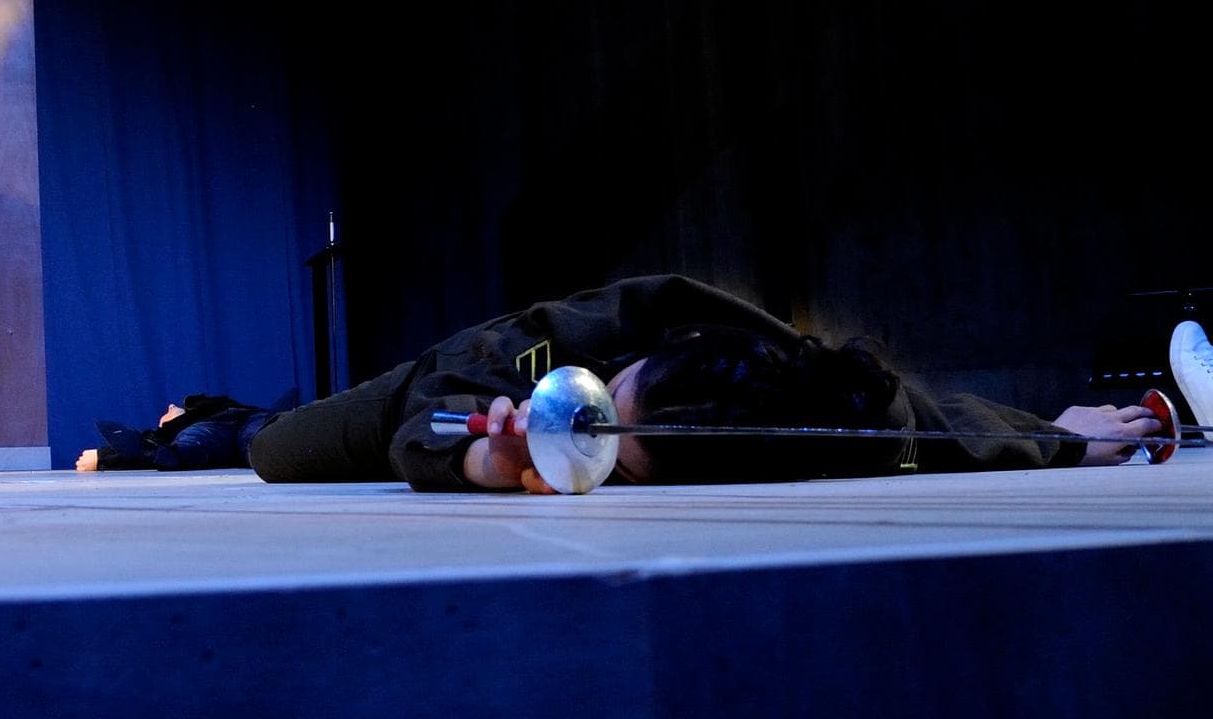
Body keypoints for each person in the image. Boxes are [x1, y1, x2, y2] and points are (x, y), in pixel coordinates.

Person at [248, 274, 1166, 493]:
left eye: (622, 458)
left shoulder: (793, 411)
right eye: (615, 394)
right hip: (445, 375)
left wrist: (1063, 438)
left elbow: (914, 429)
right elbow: (428, 413)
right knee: (266, 447)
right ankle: (195, 422)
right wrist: (472, 456)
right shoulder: (651, 317)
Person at [73, 394, 283, 472]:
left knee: (267, 428)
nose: (171, 406)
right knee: (258, 440)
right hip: (216, 432)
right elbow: (141, 446)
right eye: (166, 413)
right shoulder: (182, 432)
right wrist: (103, 457)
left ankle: (287, 426)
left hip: (248, 417)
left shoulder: (207, 407)